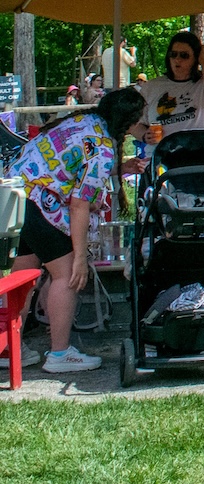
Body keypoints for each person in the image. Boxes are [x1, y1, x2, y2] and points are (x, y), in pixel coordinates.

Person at [4, 85, 148, 372]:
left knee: (22, 280)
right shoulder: (104, 148)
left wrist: (125, 168)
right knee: (67, 274)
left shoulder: (83, 121)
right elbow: (79, 206)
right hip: (40, 204)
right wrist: (80, 258)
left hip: (16, 198)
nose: (143, 124)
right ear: (127, 122)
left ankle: (8, 347)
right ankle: (59, 354)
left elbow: (72, 164)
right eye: (141, 119)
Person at [139, 29, 204, 141]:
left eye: (184, 55)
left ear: (195, 58)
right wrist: (144, 135)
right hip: (162, 154)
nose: (177, 59)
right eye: (173, 54)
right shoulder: (151, 87)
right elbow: (134, 123)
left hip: (200, 153)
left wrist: (203, 61)